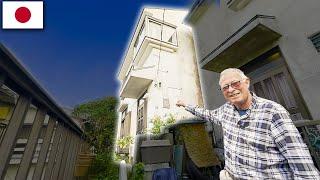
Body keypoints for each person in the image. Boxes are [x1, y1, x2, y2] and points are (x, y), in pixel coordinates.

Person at [176, 68, 320, 179]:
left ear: (247, 82)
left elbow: (301, 163)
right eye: (225, 87)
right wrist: (186, 105)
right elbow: (207, 114)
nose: (231, 89)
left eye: (235, 83)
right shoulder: (226, 110)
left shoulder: (272, 111)